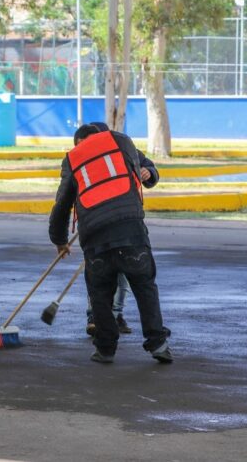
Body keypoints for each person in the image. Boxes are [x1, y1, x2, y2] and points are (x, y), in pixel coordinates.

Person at [49, 124, 173, 364]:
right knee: (144, 287)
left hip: (95, 234)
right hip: (130, 229)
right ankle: (158, 343)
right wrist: (149, 174)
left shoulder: (73, 158)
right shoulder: (121, 141)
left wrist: (59, 240)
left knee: (99, 293)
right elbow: (144, 168)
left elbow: (62, 203)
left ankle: (105, 348)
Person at [84, 122, 160, 336]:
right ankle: (95, 316)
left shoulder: (126, 150)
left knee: (124, 276)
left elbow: (150, 168)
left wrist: (149, 172)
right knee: (98, 276)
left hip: (125, 223)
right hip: (96, 223)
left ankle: (115, 315)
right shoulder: (83, 158)